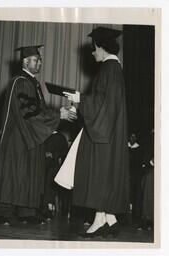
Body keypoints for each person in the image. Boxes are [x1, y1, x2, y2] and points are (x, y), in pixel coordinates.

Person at [0, 45, 76, 225]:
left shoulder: (33, 83)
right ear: (25, 61)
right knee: (14, 172)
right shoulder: (20, 81)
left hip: (30, 135)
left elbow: (39, 110)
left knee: (30, 172)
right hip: (18, 137)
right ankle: (5, 211)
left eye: (40, 60)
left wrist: (59, 113)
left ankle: (27, 211)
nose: (40, 62)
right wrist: (57, 115)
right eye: (36, 59)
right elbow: (28, 111)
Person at [61, 27, 130, 238]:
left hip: (103, 133)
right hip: (109, 131)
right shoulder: (114, 69)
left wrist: (80, 100)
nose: (92, 53)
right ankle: (108, 219)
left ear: (101, 47)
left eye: (94, 48)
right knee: (103, 176)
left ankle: (102, 219)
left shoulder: (109, 69)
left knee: (96, 173)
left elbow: (103, 104)